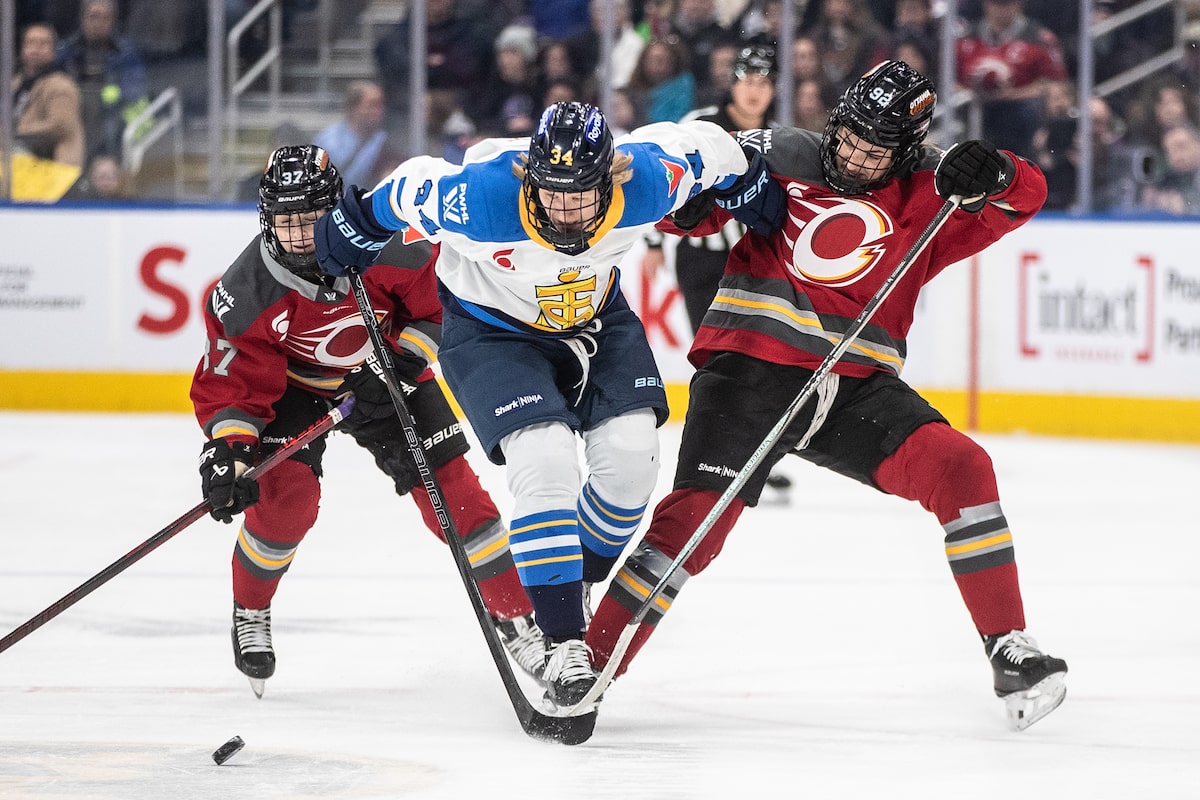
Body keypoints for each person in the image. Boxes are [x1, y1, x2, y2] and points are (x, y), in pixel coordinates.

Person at [585, 60, 1070, 731]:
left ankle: (1010, 648)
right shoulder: (782, 152)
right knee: (696, 524)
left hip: (857, 387)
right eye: (849, 137)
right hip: (749, 371)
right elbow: (691, 184)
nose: (854, 156)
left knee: (963, 468)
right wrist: (681, 204)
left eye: (876, 150)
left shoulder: (934, 189)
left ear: (904, 151)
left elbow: (1028, 195)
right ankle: (589, 660)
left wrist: (998, 172)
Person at [312, 101, 783, 710]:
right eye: (551, 194)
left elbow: (710, 146)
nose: (564, 213)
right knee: (546, 460)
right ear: (529, 177)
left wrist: (751, 186)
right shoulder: (478, 198)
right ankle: (564, 638)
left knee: (632, 461)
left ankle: (571, 584)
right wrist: (349, 228)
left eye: (580, 197)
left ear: (609, 176)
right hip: (490, 332)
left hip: (597, 321)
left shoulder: (644, 181)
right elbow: (401, 191)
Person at [190, 145, 545, 698]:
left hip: (389, 370)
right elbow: (237, 386)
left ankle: (517, 619)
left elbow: (439, 309)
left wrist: (402, 360)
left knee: (459, 497)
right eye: (287, 222)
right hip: (295, 392)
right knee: (287, 502)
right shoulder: (244, 292)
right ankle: (250, 608)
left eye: (311, 218)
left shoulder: (394, 244)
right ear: (267, 218)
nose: (302, 235)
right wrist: (230, 451)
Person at [649, 45, 794, 502]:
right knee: (719, 363)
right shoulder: (702, 124)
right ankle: (717, 458)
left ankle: (749, 459)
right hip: (702, 259)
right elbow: (663, 175)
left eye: (764, 83)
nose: (755, 91)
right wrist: (654, 240)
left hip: (756, 261)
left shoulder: (778, 137)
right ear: (732, 81)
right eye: (748, 80)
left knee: (759, 360)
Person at [55, 0, 149, 163]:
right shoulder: (66, 51)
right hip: (73, 118)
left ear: (113, 22)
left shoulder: (126, 53)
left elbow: (135, 94)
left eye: (105, 18)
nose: (99, 23)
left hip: (111, 120)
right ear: (83, 19)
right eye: (93, 17)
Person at [13, 22, 85, 170]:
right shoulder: (15, 85)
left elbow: (59, 126)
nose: (35, 49)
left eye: (43, 44)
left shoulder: (61, 86)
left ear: (53, 51)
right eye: (30, 43)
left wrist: (14, 133)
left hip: (51, 169)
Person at [314, 80, 404, 190]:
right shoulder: (327, 140)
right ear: (353, 108)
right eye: (372, 105)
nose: (379, 111)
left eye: (381, 105)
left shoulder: (386, 142)